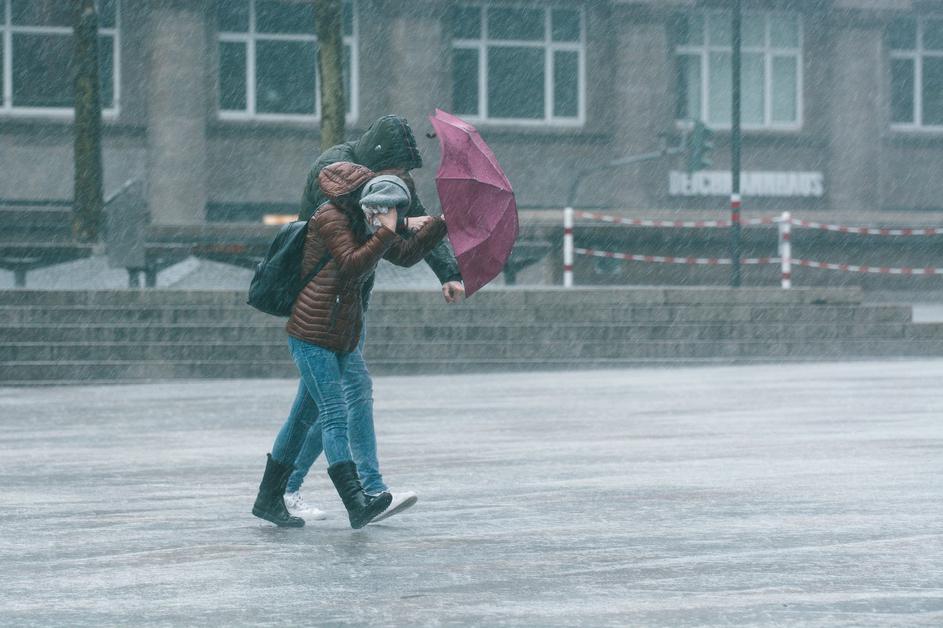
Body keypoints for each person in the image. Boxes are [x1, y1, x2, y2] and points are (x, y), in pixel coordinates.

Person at [282, 116, 463, 522]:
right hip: (320, 302)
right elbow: (341, 247)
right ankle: (370, 489)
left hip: (349, 304)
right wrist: (392, 226)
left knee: (315, 407)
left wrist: (448, 271)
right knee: (350, 394)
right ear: (379, 162)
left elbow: (407, 230)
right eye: (397, 173)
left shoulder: (389, 184)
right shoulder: (332, 172)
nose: (402, 182)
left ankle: (282, 490)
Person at [252, 162, 448, 528]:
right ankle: (357, 501)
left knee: (300, 421)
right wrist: (389, 230)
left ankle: (268, 499)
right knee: (334, 413)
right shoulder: (330, 218)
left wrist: (438, 224)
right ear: (360, 198)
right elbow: (353, 263)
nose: (383, 214)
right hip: (312, 334)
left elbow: (403, 256)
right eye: (380, 207)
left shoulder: (360, 221)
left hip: (338, 334)